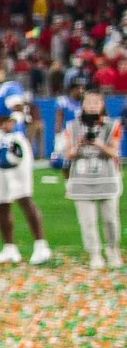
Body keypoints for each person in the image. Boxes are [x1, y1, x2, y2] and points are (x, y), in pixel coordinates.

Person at [0, 62, 54, 265]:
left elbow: (18, 109)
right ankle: (9, 248)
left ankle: (41, 245)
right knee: (1, 202)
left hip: (13, 146)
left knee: (23, 196)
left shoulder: (8, 88)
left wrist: (12, 120)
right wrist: (5, 120)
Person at [57, 89, 122, 268]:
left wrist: (98, 143)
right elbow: (68, 155)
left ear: (102, 105)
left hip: (106, 178)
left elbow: (115, 152)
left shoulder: (113, 125)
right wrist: (79, 144)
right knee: (88, 221)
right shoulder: (72, 126)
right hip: (81, 179)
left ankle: (112, 250)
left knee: (111, 219)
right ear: (83, 105)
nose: (93, 106)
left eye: (96, 102)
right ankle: (95, 253)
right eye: (89, 102)